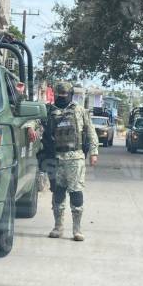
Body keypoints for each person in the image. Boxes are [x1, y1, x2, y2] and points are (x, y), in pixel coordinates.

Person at [42, 81, 99, 241]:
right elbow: (35, 121)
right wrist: (31, 127)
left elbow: (91, 132)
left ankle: (77, 229)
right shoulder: (48, 111)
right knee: (58, 193)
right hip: (56, 158)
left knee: (76, 193)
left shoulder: (80, 111)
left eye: (64, 96)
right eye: (59, 96)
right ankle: (58, 227)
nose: (61, 98)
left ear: (70, 95)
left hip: (75, 158)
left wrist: (94, 152)